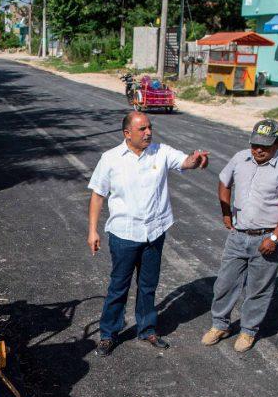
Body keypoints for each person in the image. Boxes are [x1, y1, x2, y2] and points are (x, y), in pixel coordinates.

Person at [87, 111, 209, 356]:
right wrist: (93, 230)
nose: (148, 132)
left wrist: (195, 160)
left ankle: (147, 329)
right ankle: (109, 334)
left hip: (154, 233)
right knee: (118, 286)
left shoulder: (161, 152)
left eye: (149, 127)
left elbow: (185, 162)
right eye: (142, 129)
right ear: (127, 133)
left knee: (148, 285)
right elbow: (98, 195)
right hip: (124, 235)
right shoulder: (110, 158)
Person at [202, 119, 278, 352]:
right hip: (238, 235)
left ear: (277, 144)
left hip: (266, 238)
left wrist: (275, 237)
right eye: (255, 144)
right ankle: (220, 324)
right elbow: (223, 181)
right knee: (225, 283)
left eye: (265, 146)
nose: (258, 150)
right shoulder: (240, 158)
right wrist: (226, 212)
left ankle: (248, 331)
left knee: (258, 288)